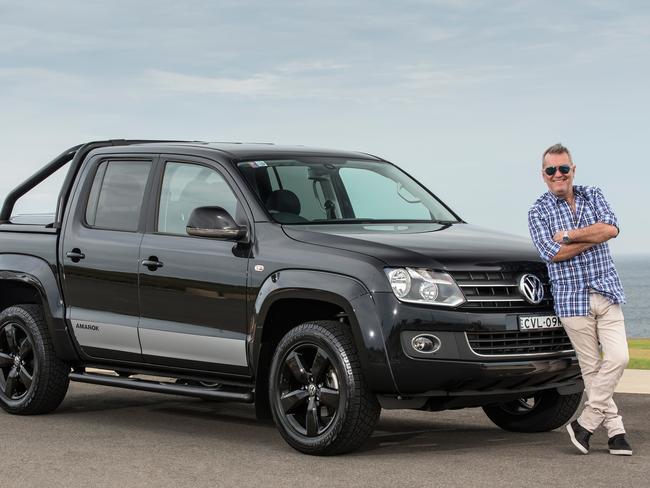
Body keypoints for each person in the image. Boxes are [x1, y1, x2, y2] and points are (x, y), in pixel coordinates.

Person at [528, 143, 632, 456]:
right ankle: (616, 431)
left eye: (563, 168)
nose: (557, 174)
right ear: (543, 176)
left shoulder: (594, 194)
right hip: (572, 300)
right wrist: (591, 236)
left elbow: (611, 229)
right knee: (591, 368)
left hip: (606, 291)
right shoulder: (537, 211)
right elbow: (552, 254)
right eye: (551, 170)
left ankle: (584, 423)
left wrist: (570, 235)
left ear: (573, 170)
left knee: (619, 358)